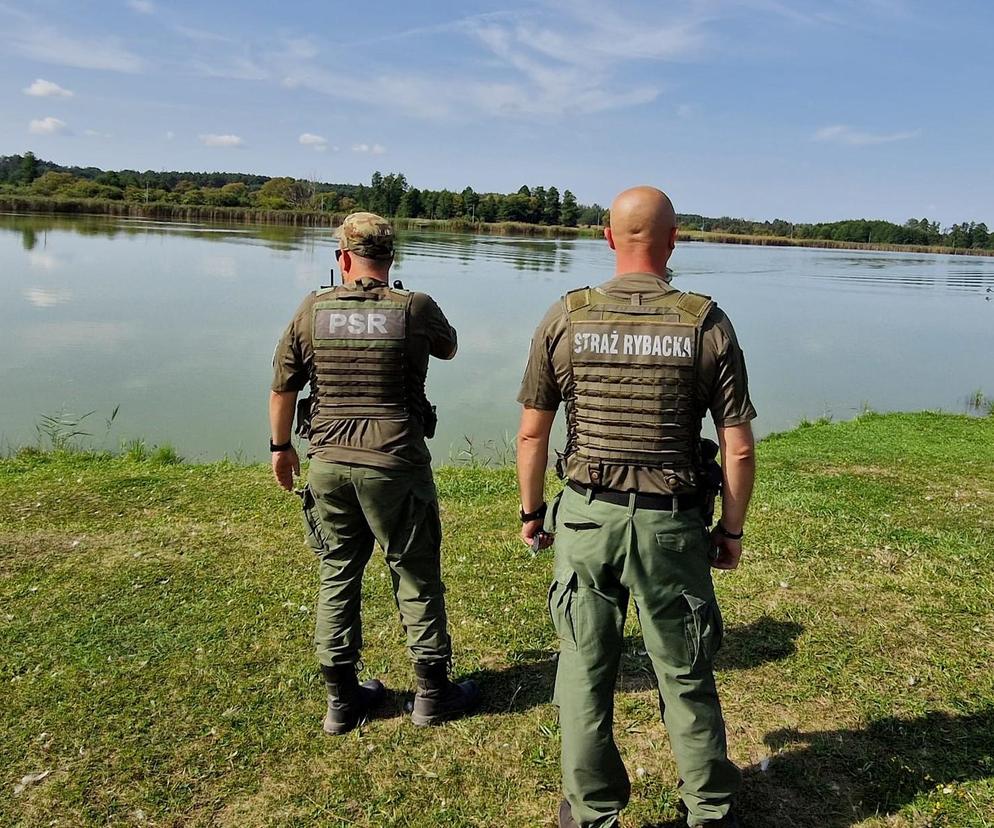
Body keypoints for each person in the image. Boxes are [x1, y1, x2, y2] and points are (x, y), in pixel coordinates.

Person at [515, 187, 756, 827]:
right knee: (685, 671)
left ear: (607, 237)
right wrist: (730, 529)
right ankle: (708, 810)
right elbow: (737, 448)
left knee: (585, 671)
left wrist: (532, 512)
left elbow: (533, 433)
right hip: (672, 525)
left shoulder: (566, 317)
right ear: (673, 241)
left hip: (587, 520)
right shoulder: (706, 322)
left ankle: (591, 811)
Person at [269, 211, 479, 735]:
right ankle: (432, 695)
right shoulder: (415, 308)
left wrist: (281, 449)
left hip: (329, 461)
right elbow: (449, 347)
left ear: (342, 257)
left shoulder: (312, 310)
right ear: (391, 257)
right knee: (415, 571)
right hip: (396, 462)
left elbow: (284, 386)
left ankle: (342, 701)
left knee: (338, 570)